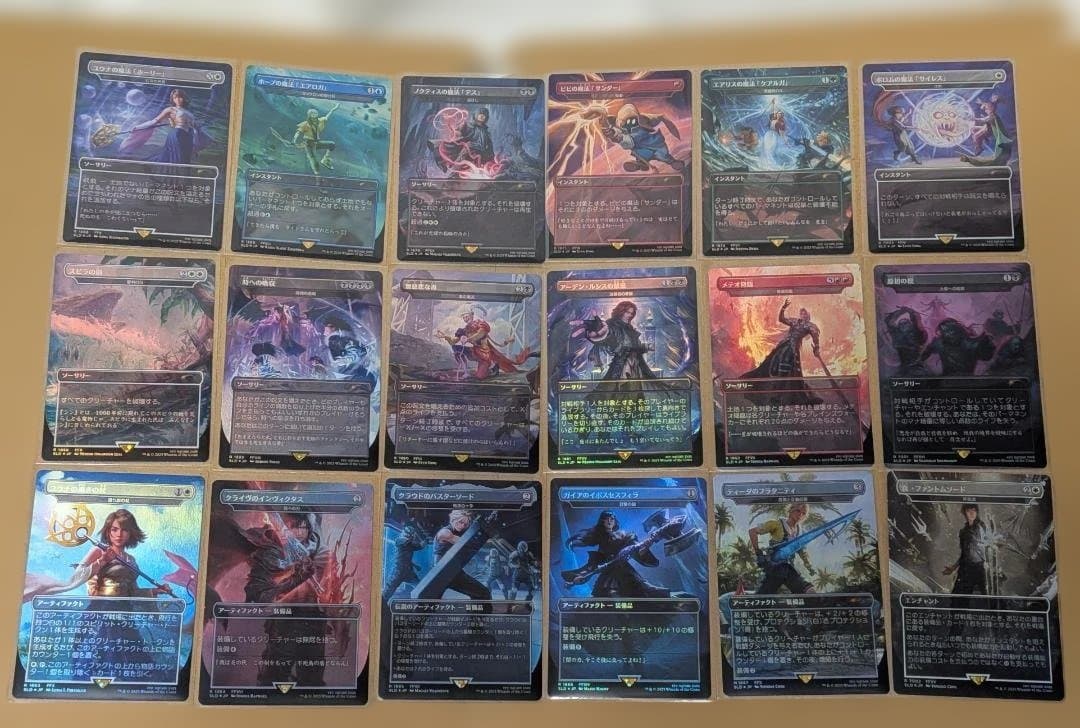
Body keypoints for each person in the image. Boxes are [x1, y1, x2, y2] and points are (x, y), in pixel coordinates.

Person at [245, 512, 329, 687]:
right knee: (274, 676)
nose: (298, 532)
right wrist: (296, 578)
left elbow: (329, 590)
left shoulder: (320, 552)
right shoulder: (272, 553)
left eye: (303, 527)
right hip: (284, 623)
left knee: (312, 679)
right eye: (293, 527)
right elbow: (264, 595)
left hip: (313, 622)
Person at [563, 511, 672, 598]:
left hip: (623, 569)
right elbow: (588, 544)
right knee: (604, 596)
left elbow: (636, 550)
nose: (609, 521)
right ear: (602, 521)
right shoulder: (599, 536)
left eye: (612, 519)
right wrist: (575, 544)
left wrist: (645, 546)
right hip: (607, 570)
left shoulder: (623, 534)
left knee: (643, 590)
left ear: (615, 521)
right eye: (606, 519)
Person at [741, 298, 822, 405]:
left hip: (792, 348)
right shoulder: (795, 321)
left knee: (786, 370)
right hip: (783, 346)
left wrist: (816, 348)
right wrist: (783, 308)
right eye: (802, 313)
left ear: (808, 315)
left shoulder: (811, 326)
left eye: (805, 313)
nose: (803, 314)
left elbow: (815, 338)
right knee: (771, 365)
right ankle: (771, 392)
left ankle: (778, 395)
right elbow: (781, 319)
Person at [81, 509, 169, 598]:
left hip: (126, 605)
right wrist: (102, 560)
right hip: (103, 604)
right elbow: (81, 577)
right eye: (114, 530)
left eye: (125, 530)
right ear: (108, 532)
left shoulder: (130, 559)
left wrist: (155, 591)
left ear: (131, 533)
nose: (119, 534)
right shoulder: (99, 551)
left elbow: (132, 593)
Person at [436, 306, 532, 379]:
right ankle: (465, 371)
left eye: (467, 316)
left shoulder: (480, 324)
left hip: (484, 354)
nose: (465, 318)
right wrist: (445, 337)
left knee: (480, 376)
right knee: (456, 348)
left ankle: (493, 368)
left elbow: (480, 334)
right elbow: (453, 341)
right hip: (475, 352)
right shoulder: (464, 330)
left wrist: (468, 339)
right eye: (464, 317)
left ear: (472, 315)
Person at [578, 301, 655, 382]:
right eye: (627, 312)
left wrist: (646, 347)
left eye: (632, 313)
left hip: (635, 365)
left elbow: (633, 346)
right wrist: (600, 332)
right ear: (621, 312)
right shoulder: (613, 325)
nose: (630, 315)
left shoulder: (629, 327)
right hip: (621, 366)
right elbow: (608, 335)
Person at [749, 503, 817, 594]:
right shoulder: (776, 524)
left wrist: (809, 566)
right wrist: (758, 553)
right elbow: (752, 531)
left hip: (789, 569)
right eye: (798, 511)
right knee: (763, 596)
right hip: (774, 568)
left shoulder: (800, 532)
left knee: (808, 591)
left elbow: (801, 551)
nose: (800, 515)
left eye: (803, 513)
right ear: (791, 511)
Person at [598, 103, 684, 172]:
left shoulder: (644, 119)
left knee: (662, 155)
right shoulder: (621, 129)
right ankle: (641, 164)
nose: (629, 124)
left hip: (654, 144)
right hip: (639, 147)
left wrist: (673, 130)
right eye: (626, 122)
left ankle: (672, 162)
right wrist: (612, 134)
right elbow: (623, 139)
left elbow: (662, 117)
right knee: (641, 155)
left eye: (632, 121)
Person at [432, 510, 492, 600]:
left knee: (482, 593)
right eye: (460, 522)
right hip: (443, 571)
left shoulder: (458, 531)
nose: (462, 526)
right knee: (483, 593)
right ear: (453, 519)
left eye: (465, 524)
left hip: (452, 570)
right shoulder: (445, 533)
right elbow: (464, 543)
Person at [131, 88, 200, 164]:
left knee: (185, 158)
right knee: (176, 157)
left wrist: (195, 145)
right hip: (178, 134)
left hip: (189, 136)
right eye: (175, 97)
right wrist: (139, 127)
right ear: (172, 99)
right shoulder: (170, 109)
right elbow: (155, 121)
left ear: (184, 98)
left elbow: (194, 129)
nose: (178, 99)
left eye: (180, 97)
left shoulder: (189, 113)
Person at [919, 318, 995, 376]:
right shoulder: (972, 343)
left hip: (947, 380)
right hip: (967, 381)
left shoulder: (938, 342)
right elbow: (987, 357)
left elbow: (922, 357)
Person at [943, 504, 990, 595]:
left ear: (977, 512)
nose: (972, 513)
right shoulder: (964, 531)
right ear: (965, 513)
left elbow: (987, 545)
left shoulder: (981, 527)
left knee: (985, 598)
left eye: (974, 510)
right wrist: (954, 567)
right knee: (957, 598)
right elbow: (964, 554)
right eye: (969, 511)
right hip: (965, 568)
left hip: (980, 568)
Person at [293, 104, 340, 175]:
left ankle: (325, 159)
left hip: (316, 143)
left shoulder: (319, 121)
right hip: (309, 144)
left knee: (331, 144)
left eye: (316, 113)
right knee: (314, 162)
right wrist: (294, 140)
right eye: (312, 113)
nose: (315, 115)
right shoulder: (305, 124)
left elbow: (327, 117)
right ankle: (317, 175)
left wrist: (333, 109)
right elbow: (298, 132)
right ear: (309, 115)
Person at [884, 306, 929, 376]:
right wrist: (907, 311)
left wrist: (902, 312)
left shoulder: (898, 334)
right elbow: (917, 320)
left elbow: (889, 321)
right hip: (911, 367)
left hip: (913, 367)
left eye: (906, 323)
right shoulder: (914, 333)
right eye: (903, 323)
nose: (904, 323)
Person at [384, 522, 425, 598]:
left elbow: (420, 546)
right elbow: (408, 543)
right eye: (408, 533)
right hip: (398, 571)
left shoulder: (410, 545)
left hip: (408, 571)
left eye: (410, 533)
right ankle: (382, 603)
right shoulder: (399, 540)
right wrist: (417, 539)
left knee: (420, 587)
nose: (408, 535)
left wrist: (415, 566)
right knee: (388, 591)